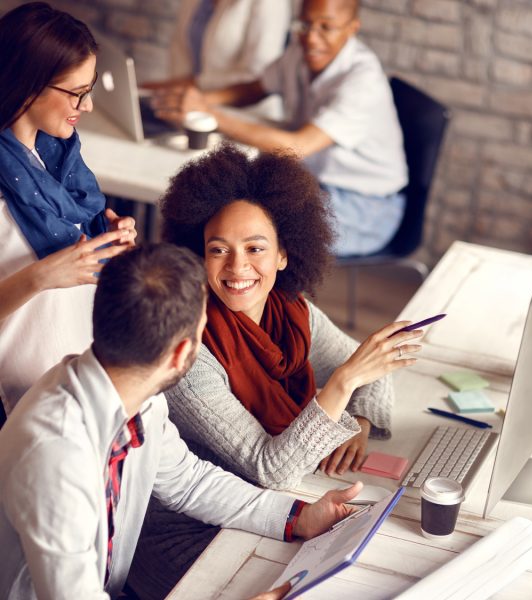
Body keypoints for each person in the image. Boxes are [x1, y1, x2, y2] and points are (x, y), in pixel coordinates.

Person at [128, 145, 422, 597]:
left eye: (255, 248)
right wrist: (342, 383)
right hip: (189, 536)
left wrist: (357, 422)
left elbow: (374, 369)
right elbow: (272, 470)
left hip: (267, 512)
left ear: (284, 254)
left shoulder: (291, 310)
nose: (238, 267)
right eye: (218, 250)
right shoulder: (189, 350)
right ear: (196, 257)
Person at [0, 242, 364, 599]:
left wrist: (299, 517)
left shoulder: (133, 393)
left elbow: (188, 481)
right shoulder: (55, 451)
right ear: (179, 355)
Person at [152, 0, 408, 257]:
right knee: (222, 208)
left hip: (366, 208)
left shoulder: (363, 81)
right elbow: (254, 89)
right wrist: (202, 100)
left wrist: (210, 114)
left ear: (352, 28)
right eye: (305, 25)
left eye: (326, 28)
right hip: (316, 184)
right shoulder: (299, 50)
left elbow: (296, 147)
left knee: (244, 227)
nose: (312, 38)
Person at [0, 2, 136, 414]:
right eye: (76, 93)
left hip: (87, 382)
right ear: (28, 83)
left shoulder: (58, 159)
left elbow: (84, 266)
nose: (88, 106)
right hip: (25, 406)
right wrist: (41, 276)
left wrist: (112, 242)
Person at [144, 0, 292, 119]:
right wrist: (172, 93)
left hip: (246, 118)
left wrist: (195, 84)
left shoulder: (270, 3)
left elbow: (258, 73)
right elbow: (180, 49)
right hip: (194, 111)